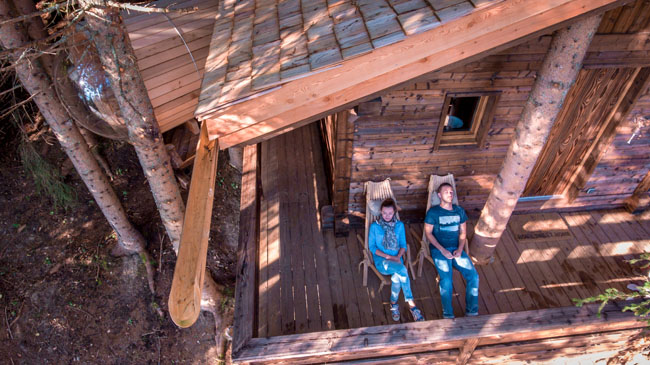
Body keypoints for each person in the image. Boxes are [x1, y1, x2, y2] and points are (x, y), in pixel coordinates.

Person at [424, 183, 479, 319]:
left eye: (451, 192)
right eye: (446, 192)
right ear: (439, 195)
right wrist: (442, 250)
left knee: (474, 276)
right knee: (447, 280)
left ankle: (472, 311)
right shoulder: (433, 212)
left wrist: (460, 249)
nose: (450, 194)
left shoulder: (459, 211)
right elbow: (428, 234)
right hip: (439, 250)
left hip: (456, 249)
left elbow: (463, 233)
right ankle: (448, 314)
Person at [369, 199, 424, 322]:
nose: (387, 216)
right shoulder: (375, 227)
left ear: (394, 212)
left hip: (396, 259)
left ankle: (393, 303)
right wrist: (390, 257)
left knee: (397, 277)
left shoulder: (399, 226)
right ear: (380, 212)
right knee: (402, 269)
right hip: (382, 261)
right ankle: (412, 305)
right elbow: (372, 248)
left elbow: (403, 245)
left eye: (390, 213)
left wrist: (398, 256)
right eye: (384, 213)